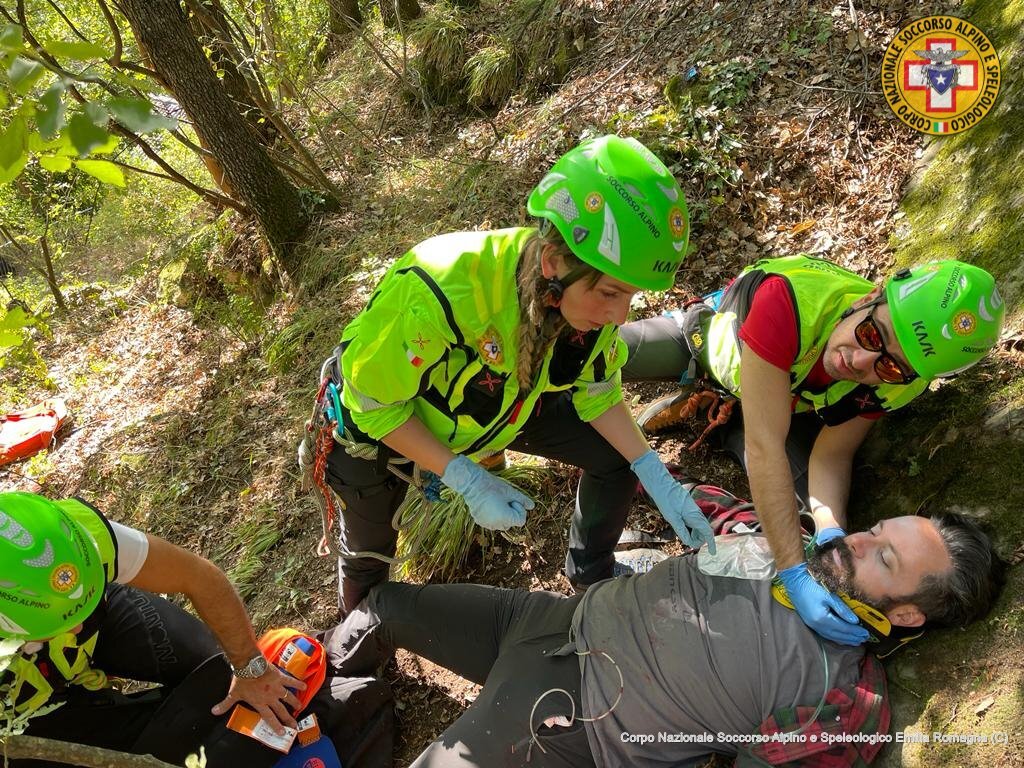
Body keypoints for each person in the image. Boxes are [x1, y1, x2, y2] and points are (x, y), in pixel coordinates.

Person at [310, 134, 715, 614]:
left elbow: (598, 393)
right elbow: (375, 404)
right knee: (369, 558)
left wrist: (654, 473)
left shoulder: (579, 302)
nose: (620, 316)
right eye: (610, 293)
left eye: (630, 297)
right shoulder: (442, 287)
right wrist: (464, 476)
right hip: (378, 431)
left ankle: (592, 576)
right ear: (552, 263)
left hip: (502, 406)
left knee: (617, 459)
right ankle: (361, 645)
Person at [321, 488, 1005, 768]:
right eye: (875, 531)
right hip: (546, 620)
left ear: (909, 613)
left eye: (883, 558)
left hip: (573, 716)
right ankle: (327, 721)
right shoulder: (786, 531)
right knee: (382, 607)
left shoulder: (840, 694)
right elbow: (697, 501)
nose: (857, 541)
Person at [617, 256, 1005, 646]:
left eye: (888, 368)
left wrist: (830, 527)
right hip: (705, 340)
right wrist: (793, 573)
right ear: (871, 297)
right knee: (596, 356)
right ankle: (715, 401)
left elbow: (833, 454)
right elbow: (766, 448)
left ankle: (720, 415)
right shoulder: (788, 302)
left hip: (781, 401)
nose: (860, 361)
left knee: (795, 521)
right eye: (872, 335)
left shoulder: (903, 380)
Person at [0, 492, 393, 768]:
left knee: (217, 673)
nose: (79, 627)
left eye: (80, 611)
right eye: (62, 624)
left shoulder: (76, 535)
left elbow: (200, 579)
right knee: (156, 753)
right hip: (20, 708)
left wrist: (250, 668)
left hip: (95, 607)